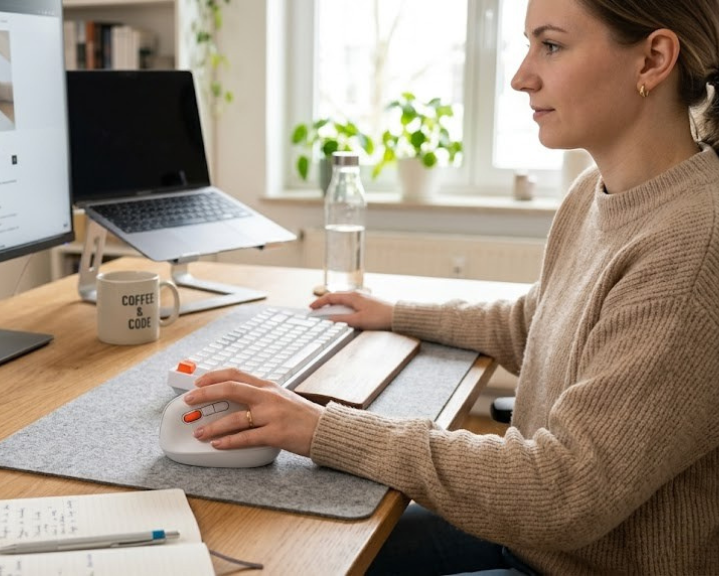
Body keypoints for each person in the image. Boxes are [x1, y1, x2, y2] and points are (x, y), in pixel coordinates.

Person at [181, 0, 719, 573]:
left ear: (653, 58)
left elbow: (563, 491)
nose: (521, 76)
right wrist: (393, 312)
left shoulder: (691, 247)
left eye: (552, 45)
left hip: (582, 562)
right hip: (540, 542)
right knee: (281, 548)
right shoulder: (594, 192)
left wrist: (321, 428)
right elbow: (533, 323)